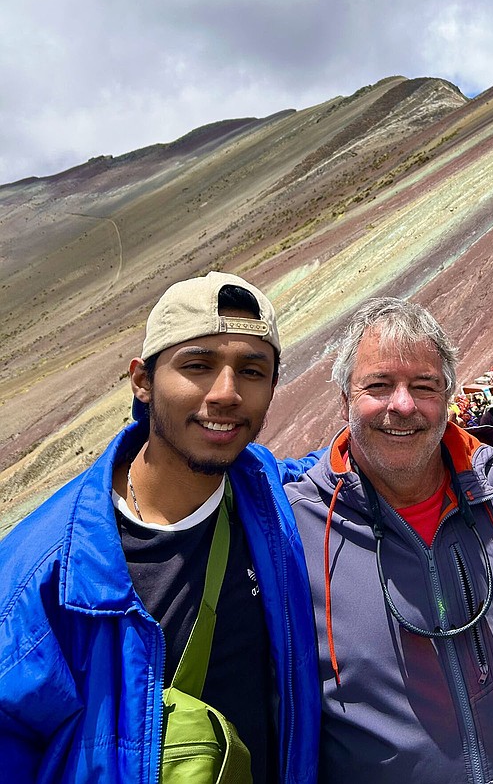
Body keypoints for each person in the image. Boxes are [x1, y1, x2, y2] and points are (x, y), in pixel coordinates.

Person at [0, 271, 320, 784]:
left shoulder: (265, 494)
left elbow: (341, 464)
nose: (226, 393)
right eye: (197, 365)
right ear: (142, 381)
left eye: (252, 371)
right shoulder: (42, 577)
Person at [286, 296, 493, 784]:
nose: (403, 405)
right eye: (379, 385)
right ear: (344, 400)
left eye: (425, 386)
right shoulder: (298, 529)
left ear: (448, 397)